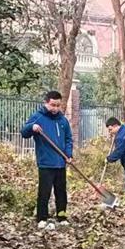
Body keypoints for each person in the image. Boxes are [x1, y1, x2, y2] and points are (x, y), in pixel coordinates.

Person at [21, 90, 74, 227]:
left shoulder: (63, 120)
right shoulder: (38, 117)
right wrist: (32, 127)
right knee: (44, 192)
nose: (55, 108)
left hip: (61, 162)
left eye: (58, 105)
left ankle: (62, 217)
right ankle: (42, 218)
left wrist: (69, 155)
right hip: (45, 163)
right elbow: (24, 132)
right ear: (46, 103)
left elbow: (68, 139)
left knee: (61, 192)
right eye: (52, 105)